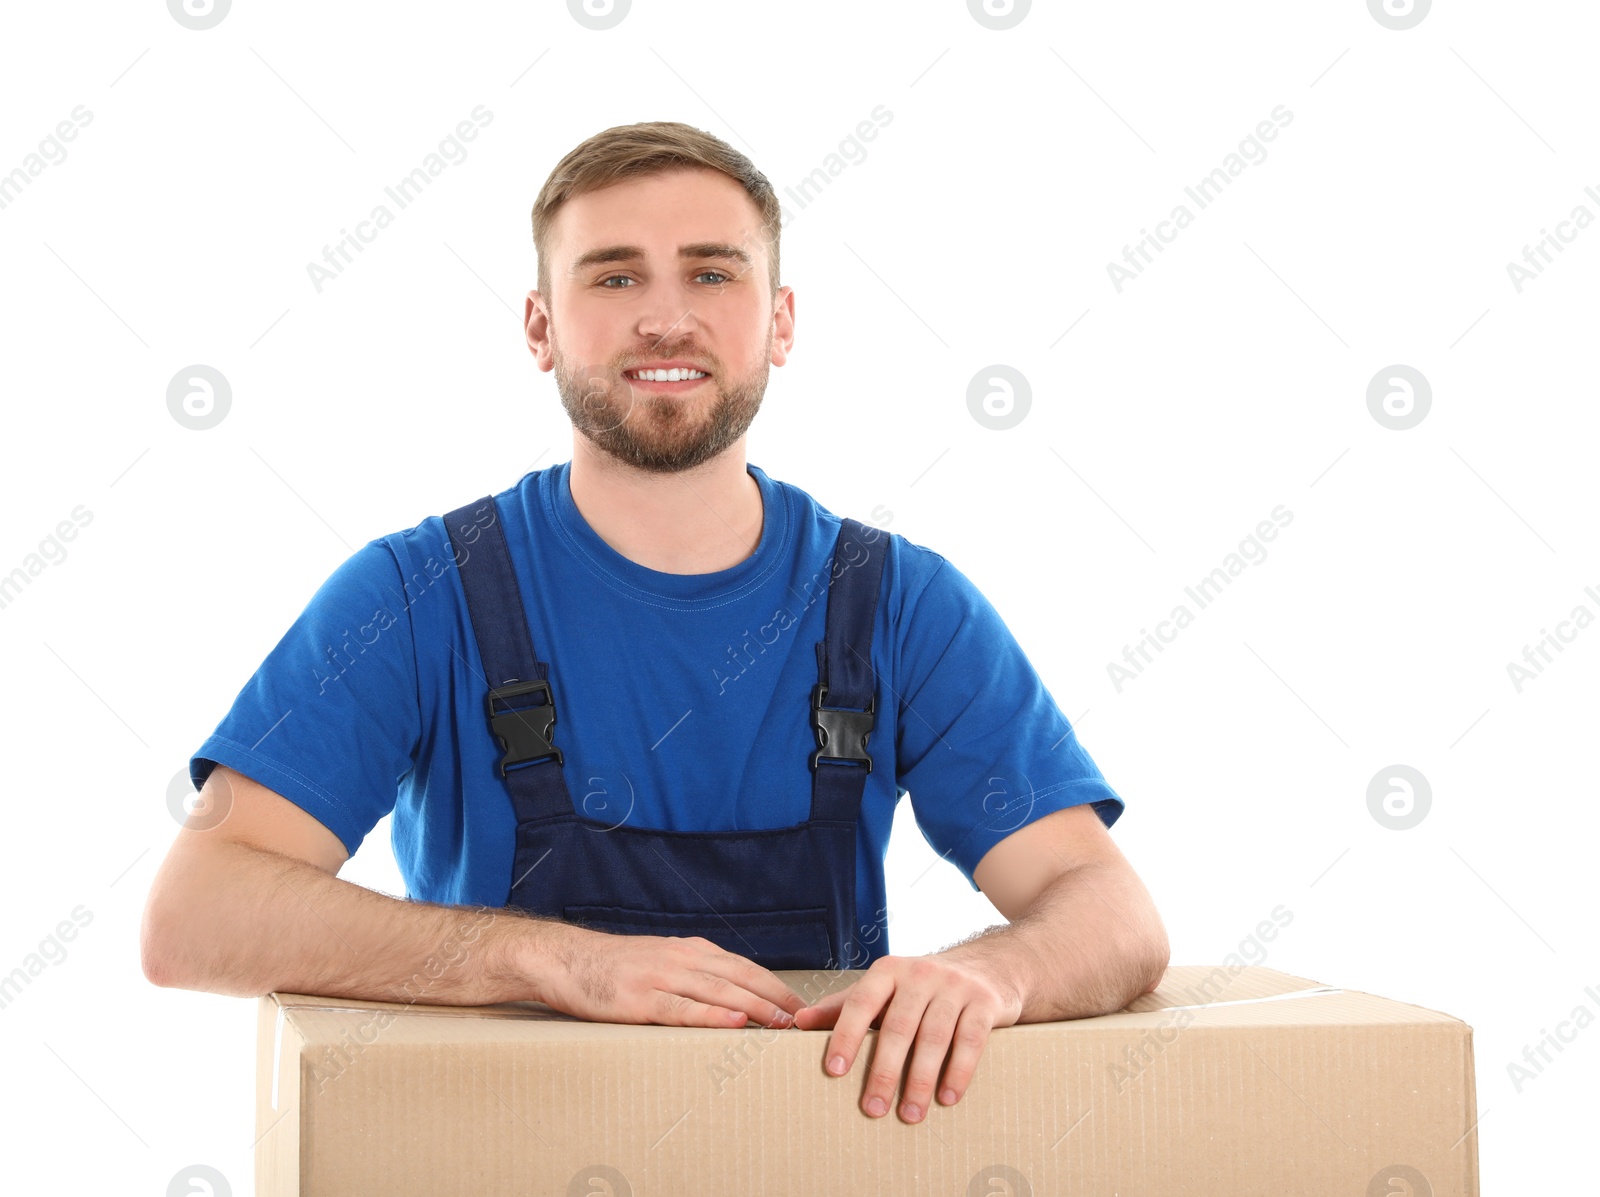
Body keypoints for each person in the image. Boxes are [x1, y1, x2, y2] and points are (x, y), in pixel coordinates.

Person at [141, 121, 1169, 1127]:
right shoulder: (419, 595)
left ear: (781, 322)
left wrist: (989, 977)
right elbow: (196, 917)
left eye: (713, 274)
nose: (666, 320)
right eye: (615, 276)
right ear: (540, 326)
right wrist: (550, 957)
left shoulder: (899, 606)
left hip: (803, 1163)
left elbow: (1110, 910)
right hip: (505, 1158)